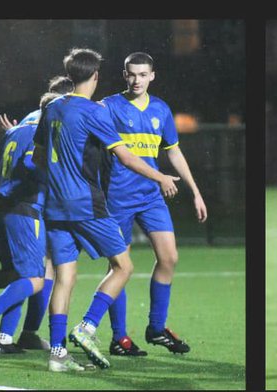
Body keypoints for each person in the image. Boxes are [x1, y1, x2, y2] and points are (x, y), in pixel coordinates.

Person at [32, 47, 179, 372]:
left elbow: (38, 157)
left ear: (69, 76)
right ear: (95, 76)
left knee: (64, 278)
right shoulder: (95, 112)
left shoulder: (53, 108)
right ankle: (87, 327)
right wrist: (161, 176)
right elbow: (126, 157)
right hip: (87, 205)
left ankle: (57, 354)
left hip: (54, 207)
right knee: (123, 267)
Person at [101, 52, 207, 356]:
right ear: (124, 75)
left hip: (151, 196)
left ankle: (156, 328)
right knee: (120, 267)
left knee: (169, 257)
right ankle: (119, 338)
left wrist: (195, 192)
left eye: (143, 74)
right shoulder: (109, 106)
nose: (137, 80)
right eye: (131, 74)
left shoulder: (161, 109)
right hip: (117, 197)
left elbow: (173, 152)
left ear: (152, 76)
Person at [0, 80, 74, 353]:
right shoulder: (46, 129)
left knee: (22, 275)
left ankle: (5, 340)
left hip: (2, 208)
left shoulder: (18, 128)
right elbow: (30, 162)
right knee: (36, 279)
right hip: (25, 209)